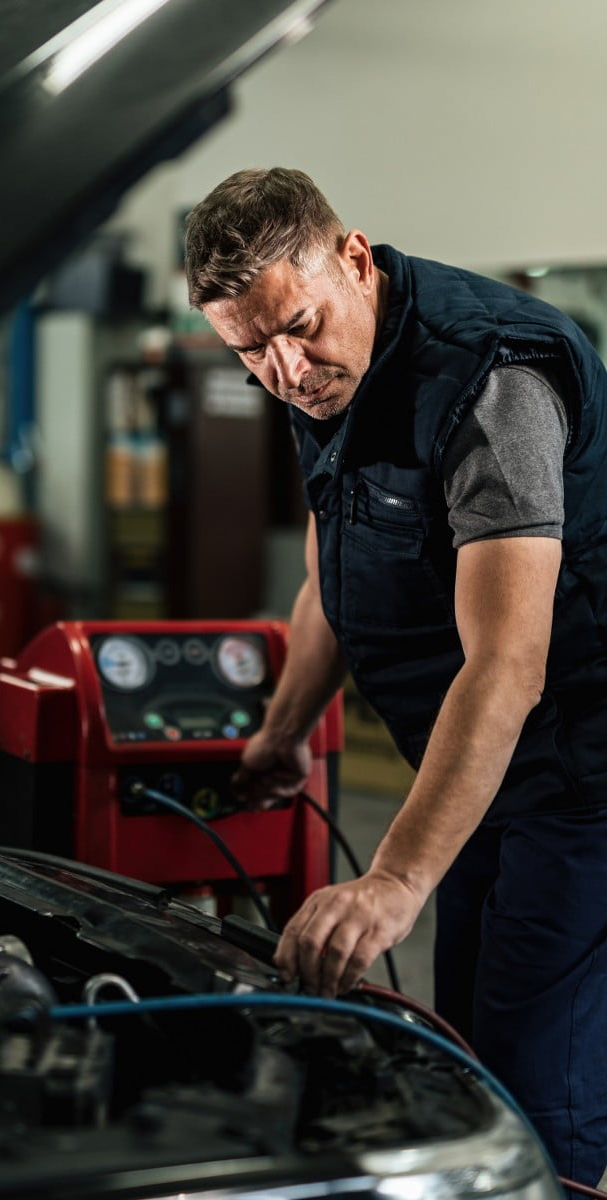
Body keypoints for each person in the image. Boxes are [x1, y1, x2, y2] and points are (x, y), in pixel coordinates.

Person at [184, 166, 607, 1188]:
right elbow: (331, 572)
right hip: (479, 771)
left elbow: (507, 662)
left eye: (299, 327)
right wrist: (282, 733)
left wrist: (393, 879)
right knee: (463, 1052)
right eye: (250, 350)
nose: (286, 370)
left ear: (355, 259)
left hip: (583, 778)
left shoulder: (491, 384)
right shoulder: (324, 372)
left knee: (537, 1092)